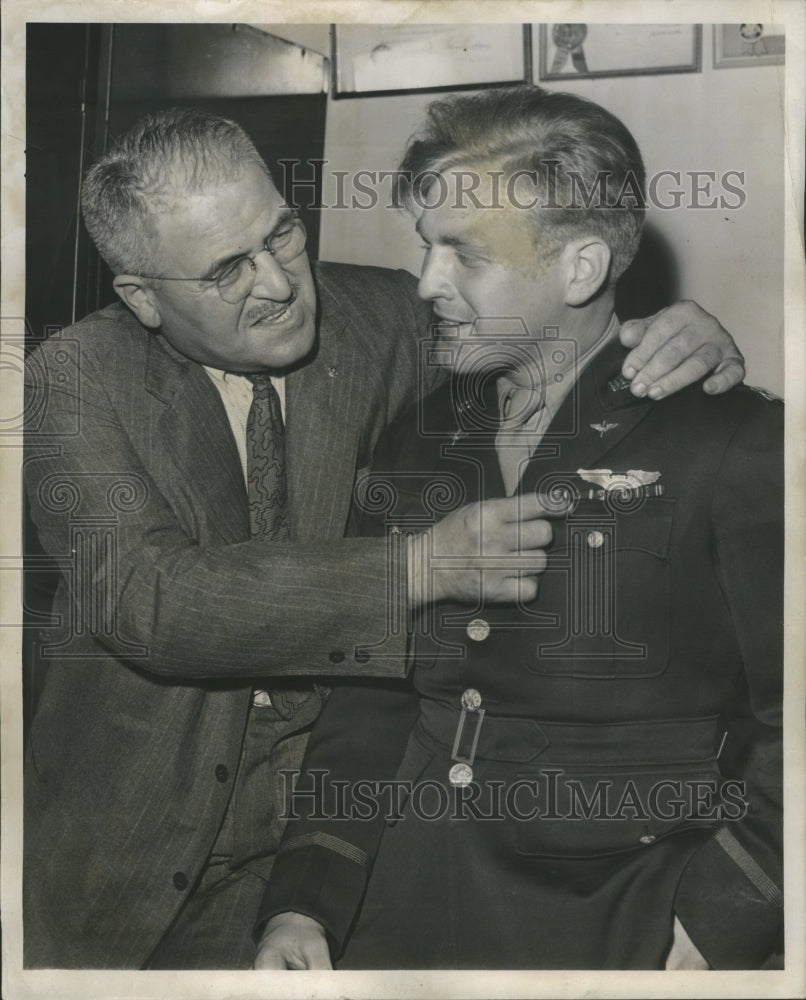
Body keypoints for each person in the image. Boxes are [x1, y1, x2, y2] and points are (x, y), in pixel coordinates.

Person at [23, 105, 747, 969]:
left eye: (282, 233)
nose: (281, 283)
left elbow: (543, 318)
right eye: (227, 270)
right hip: (136, 844)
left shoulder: (384, 319)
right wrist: (421, 565)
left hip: (342, 834)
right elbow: (152, 603)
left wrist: (682, 335)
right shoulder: (68, 379)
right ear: (143, 296)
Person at [254, 87, 783, 971]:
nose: (427, 284)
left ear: (579, 270)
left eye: (464, 255)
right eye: (427, 250)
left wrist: (725, 915)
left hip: (629, 912)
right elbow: (371, 698)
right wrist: (307, 901)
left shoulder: (731, 442)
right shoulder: (416, 439)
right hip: (408, 897)